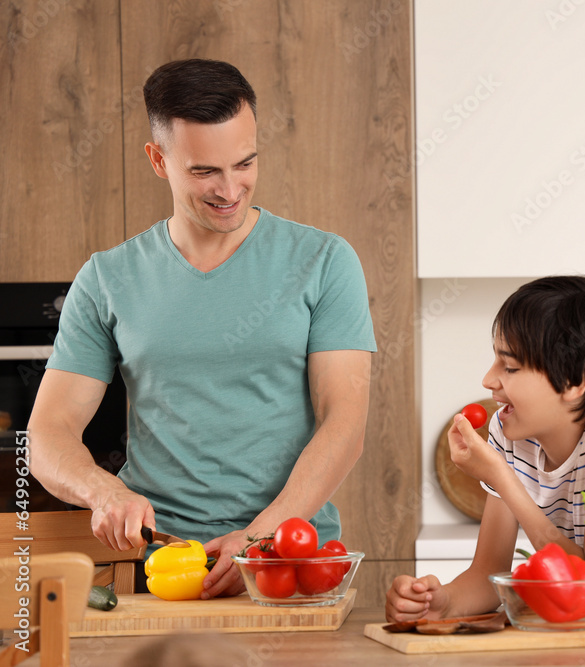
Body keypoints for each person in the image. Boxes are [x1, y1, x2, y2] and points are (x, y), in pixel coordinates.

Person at [27, 59, 376, 597]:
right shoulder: (106, 278)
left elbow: (344, 426)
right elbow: (48, 437)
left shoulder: (325, 260)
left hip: (291, 565)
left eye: (245, 163)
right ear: (158, 160)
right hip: (155, 570)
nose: (230, 189)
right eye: (204, 171)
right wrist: (102, 490)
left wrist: (260, 542)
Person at [385, 276, 585, 621]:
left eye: (509, 366)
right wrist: (441, 602)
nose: (488, 380)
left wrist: (501, 477)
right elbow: (485, 576)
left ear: (573, 381)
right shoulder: (511, 436)